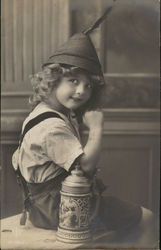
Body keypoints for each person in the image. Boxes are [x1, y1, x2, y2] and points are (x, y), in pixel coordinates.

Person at [12, 10, 156, 247]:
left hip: (44, 206)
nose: (82, 91)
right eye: (73, 81)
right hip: (61, 208)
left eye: (88, 85)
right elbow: (86, 164)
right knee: (148, 219)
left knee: (117, 231)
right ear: (53, 80)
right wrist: (97, 128)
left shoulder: (42, 113)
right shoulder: (52, 125)